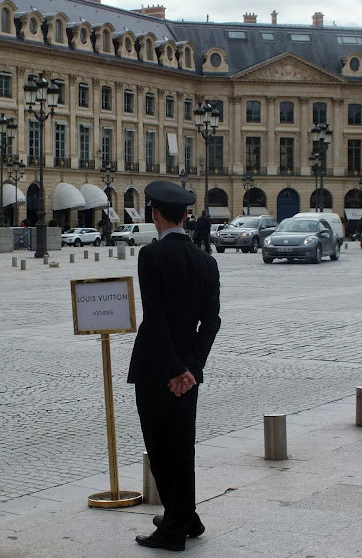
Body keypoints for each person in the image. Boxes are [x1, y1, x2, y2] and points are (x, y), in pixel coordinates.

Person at [128, 181, 221, 552]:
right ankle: (186, 516)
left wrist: (173, 369)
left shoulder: (151, 257)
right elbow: (211, 322)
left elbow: (155, 320)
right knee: (183, 443)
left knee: (161, 446)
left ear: (154, 214)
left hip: (157, 368)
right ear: (186, 215)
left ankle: (173, 529)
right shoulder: (207, 261)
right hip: (188, 373)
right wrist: (192, 370)